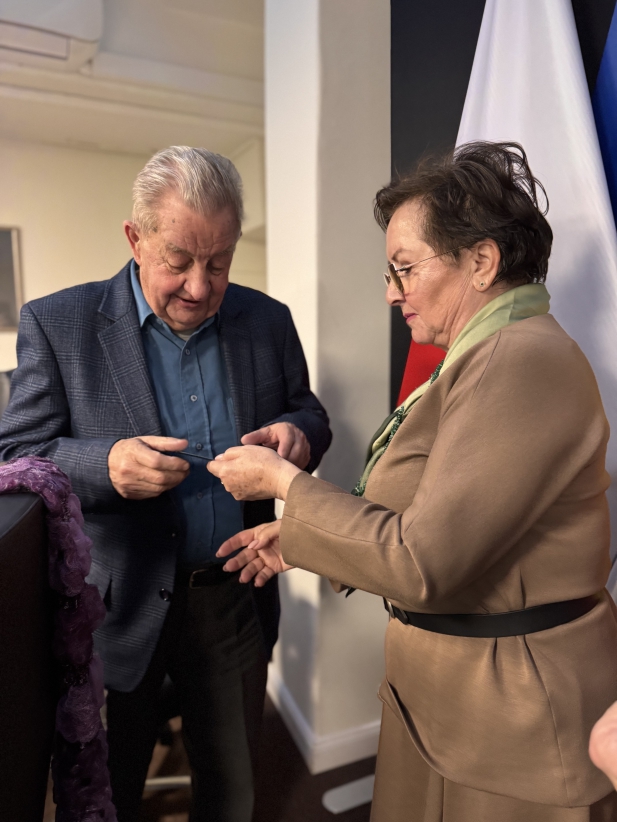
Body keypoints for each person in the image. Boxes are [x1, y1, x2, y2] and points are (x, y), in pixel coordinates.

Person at [208, 142, 617, 821]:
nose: (391, 292)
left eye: (404, 268)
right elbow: (427, 513)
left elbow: (421, 560)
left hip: (506, 723)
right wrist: (302, 534)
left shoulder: (517, 360)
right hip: (451, 699)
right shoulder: (482, 354)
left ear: (481, 261)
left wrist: (284, 483)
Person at [0, 146, 331, 822]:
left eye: (219, 263)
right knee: (109, 790)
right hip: (114, 609)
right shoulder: (57, 324)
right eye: (178, 261)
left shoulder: (267, 320)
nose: (200, 287)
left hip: (234, 597)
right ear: (135, 238)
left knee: (233, 789)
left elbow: (310, 413)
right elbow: (15, 455)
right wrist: (104, 465)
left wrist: (298, 437)